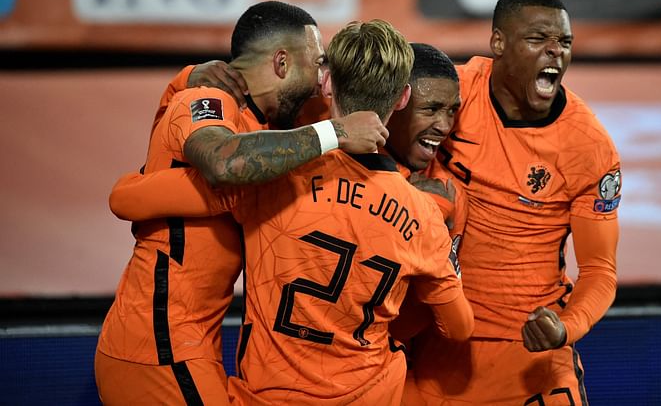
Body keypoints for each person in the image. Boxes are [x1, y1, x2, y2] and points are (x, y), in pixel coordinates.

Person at [109, 20, 474, 404]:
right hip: (370, 392)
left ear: (329, 84)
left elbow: (127, 199)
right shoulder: (426, 212)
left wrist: (132, 182)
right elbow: (458, 326)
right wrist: (445, 253)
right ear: (402, 98)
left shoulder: (273, 182)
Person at [404, 0, 621, 405]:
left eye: (565, 42)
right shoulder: (451, 94)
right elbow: (361, 108)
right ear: (498, 43)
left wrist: (566, 327)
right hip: (435, 345)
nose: (555, 52)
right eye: (538, 39)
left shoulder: (589, 147)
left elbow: (600, 270)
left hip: (530, 356)